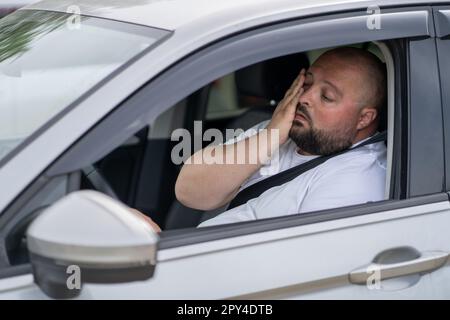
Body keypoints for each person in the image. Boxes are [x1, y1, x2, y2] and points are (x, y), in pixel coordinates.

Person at [174, 46, 387, 227]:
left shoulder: (355, 179)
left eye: (326, 96)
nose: (304, 97)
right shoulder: (280, 131)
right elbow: (189, 191)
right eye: (307, 83)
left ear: (364, 119)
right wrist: (271, 135)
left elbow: (297, 267)